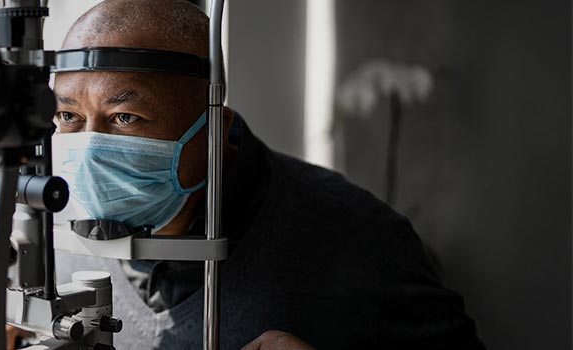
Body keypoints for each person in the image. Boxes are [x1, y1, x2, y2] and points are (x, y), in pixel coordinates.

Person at [45, 0, 484, 349]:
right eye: (68, 114)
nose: (87, 148)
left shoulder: (362, 241)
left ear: (213, 128)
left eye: (124, 117)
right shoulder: (48, 232)